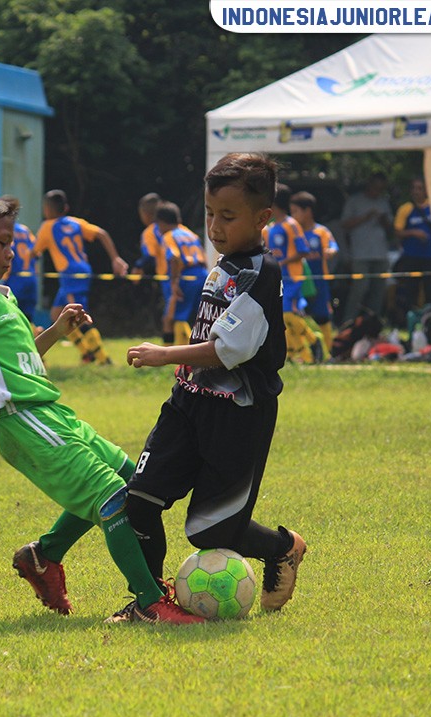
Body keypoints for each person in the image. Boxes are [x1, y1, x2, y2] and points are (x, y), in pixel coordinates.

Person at [0, 188, 201, 624]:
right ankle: (149, 603)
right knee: (111, 496)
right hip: (21, 418)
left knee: (132, 477)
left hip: (48, 411)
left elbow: (22, 361)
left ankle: (44, 555)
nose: (12, 251)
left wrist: (56, 330)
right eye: (4, 242)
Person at [109, 153, 306, 622]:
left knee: (208, 532)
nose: (215, 226)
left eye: (228, 216)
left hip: (238, 415)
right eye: (210, 213)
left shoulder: (262, 274)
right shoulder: (225, 263)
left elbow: (227, 349)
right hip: (188, 404)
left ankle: (282, 547)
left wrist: (164, 353)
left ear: (262, 218)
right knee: (139, 502)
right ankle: (151, 602)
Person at [34, 189, 129, 364]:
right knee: (56, 314)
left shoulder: (47, 226)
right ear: (66, 208)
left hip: (69, 273)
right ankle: (87, 354)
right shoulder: (76, 223)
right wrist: (115, 258)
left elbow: (34, 251)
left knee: (78, 315)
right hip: (82, 270)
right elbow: (101, 234)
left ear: (46, 209)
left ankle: (103, 359)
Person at [265, 184, 320, 363]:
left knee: (287, 314)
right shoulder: (269, 228)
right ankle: (297, 354)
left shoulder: (291, 225)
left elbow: (303, 250)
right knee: (281, 318)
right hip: (277, 279)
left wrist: (283, 262)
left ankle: (313, 340)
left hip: (293, 278)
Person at [340, 172, 394, 323]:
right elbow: (344, 224)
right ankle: (349, 321)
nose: (377, 191)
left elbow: (390, 228)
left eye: (381, 189)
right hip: (360, 254)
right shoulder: (354, 201)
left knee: (378, 290)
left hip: (380, 253)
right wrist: (366, 217)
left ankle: (373, 323)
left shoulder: (383, 202)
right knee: (360, 288)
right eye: (375, 187)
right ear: (369, 185)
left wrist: (383, 220)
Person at [290, 191, 339, 352]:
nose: (293, 216)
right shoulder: (292, 232)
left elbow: (333, 246)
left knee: (323, 316)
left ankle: (328, 351)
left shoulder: (321, 231)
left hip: (319, 281)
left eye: (295, 211)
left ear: (308, 211)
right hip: (297, 281)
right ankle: (302, 349)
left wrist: (331, 251)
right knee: (294, 315)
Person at [392, 178, 431, 326]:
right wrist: (414, 233)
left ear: (426, 191)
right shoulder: (406, 209)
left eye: (420, 188)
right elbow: (397, 232)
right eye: (414, 188)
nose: (416, 191)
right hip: (411, 256)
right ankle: (410, 322)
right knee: (410, 291)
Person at [157, 202, 208, 347]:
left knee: (172, 318)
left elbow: (174, 257)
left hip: (185, 276)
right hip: (202, 275)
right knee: (200, 318)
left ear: (161, 222)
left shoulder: (169, 236)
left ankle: (171, 353)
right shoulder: (190, 234)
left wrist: (174, 283)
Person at [135, 193, 174, 343]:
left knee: (171, 317)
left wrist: (138, 268)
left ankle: (172, 350)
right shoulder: (179, 228)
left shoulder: (150, 232)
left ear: (145, 214)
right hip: (195, 274)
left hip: (170, 276)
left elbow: (149, 256)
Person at [0, 195, 38, 323]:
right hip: (31, 278)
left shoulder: (5, 231)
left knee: (10, 318)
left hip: (15, 279)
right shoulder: (25, 230)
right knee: (28, 319)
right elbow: (36, 253)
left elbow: (7, 253)